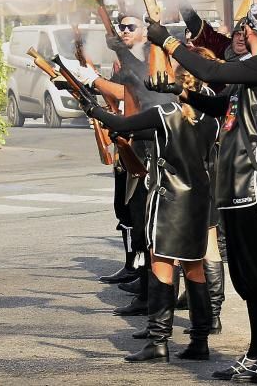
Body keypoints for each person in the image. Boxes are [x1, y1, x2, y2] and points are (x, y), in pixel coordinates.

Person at [146, 2, 257, 383]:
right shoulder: (256, 73)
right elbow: (224, 103)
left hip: (254, 186)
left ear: (250, 31)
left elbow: (213, 70)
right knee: (246, 279)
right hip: (237, 187)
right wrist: (182, 91)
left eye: (242, 30)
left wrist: (170, 44)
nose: (237, 37)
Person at [80, 66, 220, 364]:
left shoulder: (166, 112)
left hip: (169, 199)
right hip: (198, 200)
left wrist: (91, 107)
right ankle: (200, 340)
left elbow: (122, 122)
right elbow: (140, 130)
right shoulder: (211, 119)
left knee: (162, 267)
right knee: (195, 270)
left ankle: (158, 341)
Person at [91, 15, 177, 316]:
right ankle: (146, 290)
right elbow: (121, 95)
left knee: (149, 228)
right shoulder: (133, 61)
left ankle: (159, 303)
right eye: (122, 27)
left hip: (153, 149)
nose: (124, 31)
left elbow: (141, 84)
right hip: (136, 145)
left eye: (131, 28)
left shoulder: (153, 62)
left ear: (147, 34)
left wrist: (93, 80)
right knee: (136, 221)